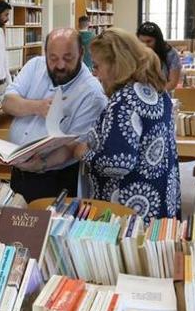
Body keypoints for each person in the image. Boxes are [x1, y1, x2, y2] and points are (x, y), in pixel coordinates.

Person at [29, 28, 180, 222]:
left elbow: (118, 163)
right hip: (159, 195)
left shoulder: (124, 100)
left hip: (129, 207)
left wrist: (81, 151)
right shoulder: (155, 90)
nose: (95, 72)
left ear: (116, 65)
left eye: (98, 66)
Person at [4, 28, 107, 202]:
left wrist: (41, 165)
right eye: (53, 58)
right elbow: (8, 103)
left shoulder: (92, 93)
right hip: (17, 171)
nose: (60, 65)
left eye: (68, 58)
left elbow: (74, 146)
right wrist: (38, 107)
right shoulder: (35, 65)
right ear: (45, 53)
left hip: (56, 177)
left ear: (81, 53)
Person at [137, 21, 181, 91]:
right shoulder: (134, 53)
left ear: (158, 41)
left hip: (162, 93)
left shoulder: (171, 54)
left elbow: (173, 82)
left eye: (149, 41)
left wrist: (156, 94)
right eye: (141, 42)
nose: (145, 45)